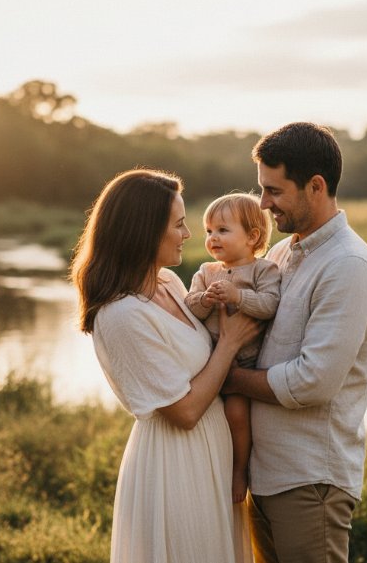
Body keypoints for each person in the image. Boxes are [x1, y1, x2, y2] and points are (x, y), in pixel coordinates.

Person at [71, 169, 260, 563]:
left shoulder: (171, 283)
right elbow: (184, 411)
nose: (190, 235)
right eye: (178, 224)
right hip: (175, 466)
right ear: (145, 230)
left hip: (214, 455)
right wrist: (229, 343)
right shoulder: (120, 315)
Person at [223, 122, 367, 563]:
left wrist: (231, 379)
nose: (263, 204)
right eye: (262, 190)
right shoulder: (279, 255)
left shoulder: (348, 265)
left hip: (311, 482)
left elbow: (313, 381)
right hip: (269, 476)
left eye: (274, 191)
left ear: (315, 186)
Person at [184, 193, 281, 504]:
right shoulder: (205, 272)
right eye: (209, 231)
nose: (213, 238)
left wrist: (238, 297)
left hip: (243, 365)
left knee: (236, 413)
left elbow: (269, 305)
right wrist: (204, 300)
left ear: (252, 236)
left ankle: (240, 469)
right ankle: (204, 474)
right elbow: (191, 309)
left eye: (223, 230)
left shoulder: (263, 271)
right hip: (209, 365)